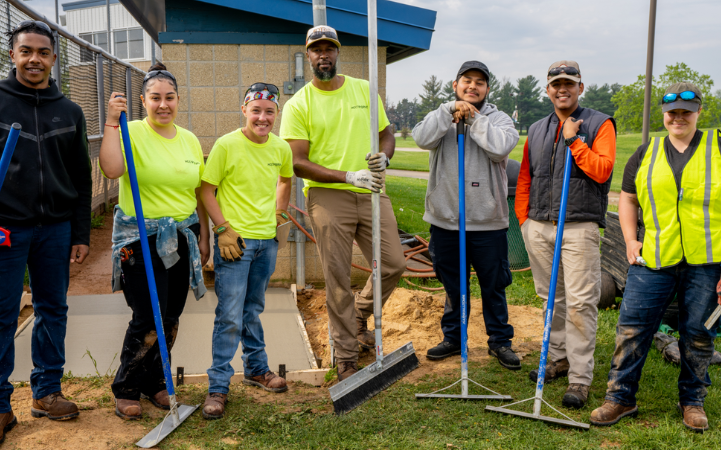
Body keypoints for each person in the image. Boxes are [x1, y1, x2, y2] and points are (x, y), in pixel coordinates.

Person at [0, 20, 92, 450]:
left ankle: (46, 392)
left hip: (54, 229)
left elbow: (81, 179)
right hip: (4, 230)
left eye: (43, 52)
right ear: (13, 55)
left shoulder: (69, 111)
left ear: (54, 58)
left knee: (53, 308)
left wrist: (79, 231)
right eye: (26, 51)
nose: (35, 59)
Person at [590, 82, 721, 432]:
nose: (679, 118)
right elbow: (627, 199)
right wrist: (631, 241)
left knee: (697, 333)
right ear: (664, 114)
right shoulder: (646, 151)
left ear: (698, 113)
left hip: (706, 263)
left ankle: (692, 401)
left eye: (686, 112)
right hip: (654, 261)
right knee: (632, 328)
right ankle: (620, 397)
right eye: (672, 112)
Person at [279, 25, 404, 381]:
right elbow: (296, 160)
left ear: (337, 53)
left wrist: (385, 158)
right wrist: (347, 176)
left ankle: (360, 313)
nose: (323, 55)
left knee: (394, 263)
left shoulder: (365, 91)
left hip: (372, 192)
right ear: (308, 56)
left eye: (329, 49)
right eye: (316, 50)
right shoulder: (299, 103)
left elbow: (385, 134)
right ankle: (346, 354)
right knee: (336, 275)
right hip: (327, 194)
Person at [99, 63, 211, 421]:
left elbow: (196, 191)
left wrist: (203, 235)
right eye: (155, 98)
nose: (163, 105)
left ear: (178, 99)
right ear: (144, 101)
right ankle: (127, 388)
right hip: (142, 236)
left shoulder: (190, 139)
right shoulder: (130, 131)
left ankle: (155, 381)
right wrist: (111, 124)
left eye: (170, 97)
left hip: (183, 235)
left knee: (171, 316)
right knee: (148, 316)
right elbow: (112, 170)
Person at [513, 60, 617, 409]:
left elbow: (602, 171)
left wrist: (575, 142)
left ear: (580, 88)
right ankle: (557, 357)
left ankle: (580, 377)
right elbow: (526, 175)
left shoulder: (600, 124)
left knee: (580, 302)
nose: (562, 89)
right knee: (550, 297)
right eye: (556, 83)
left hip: (577, 226)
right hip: (539, 225)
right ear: (548, 90)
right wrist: (524, 219)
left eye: (569, 83)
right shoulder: (537, 129)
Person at [412, 61, 522, 370]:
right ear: (455, 85)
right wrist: (449, 112)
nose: (472, 86)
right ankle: (454, 338)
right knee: (453, 284)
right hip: (446, 220)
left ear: (487, 89)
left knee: (493, 285)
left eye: (480, 82)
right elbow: (422, 139)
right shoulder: (441, 117)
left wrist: (473, 119)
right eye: (467, 81)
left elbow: (500, 149)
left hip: (487, 222)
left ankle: (500, 341)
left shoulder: (498, 119)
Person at [199, 83, 294, 419]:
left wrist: (280, 213)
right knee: (229, 315)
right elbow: (206, 189)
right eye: (256, 110)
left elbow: (286, 180)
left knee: (253, 308)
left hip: (266, 242)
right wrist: (222, 229)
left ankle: (257, 369)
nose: (263, 117)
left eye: (269, 111)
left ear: (276, 114)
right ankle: (218, 386)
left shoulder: (281, 148)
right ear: (244, 110)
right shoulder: (227, 145)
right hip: (235, 245)